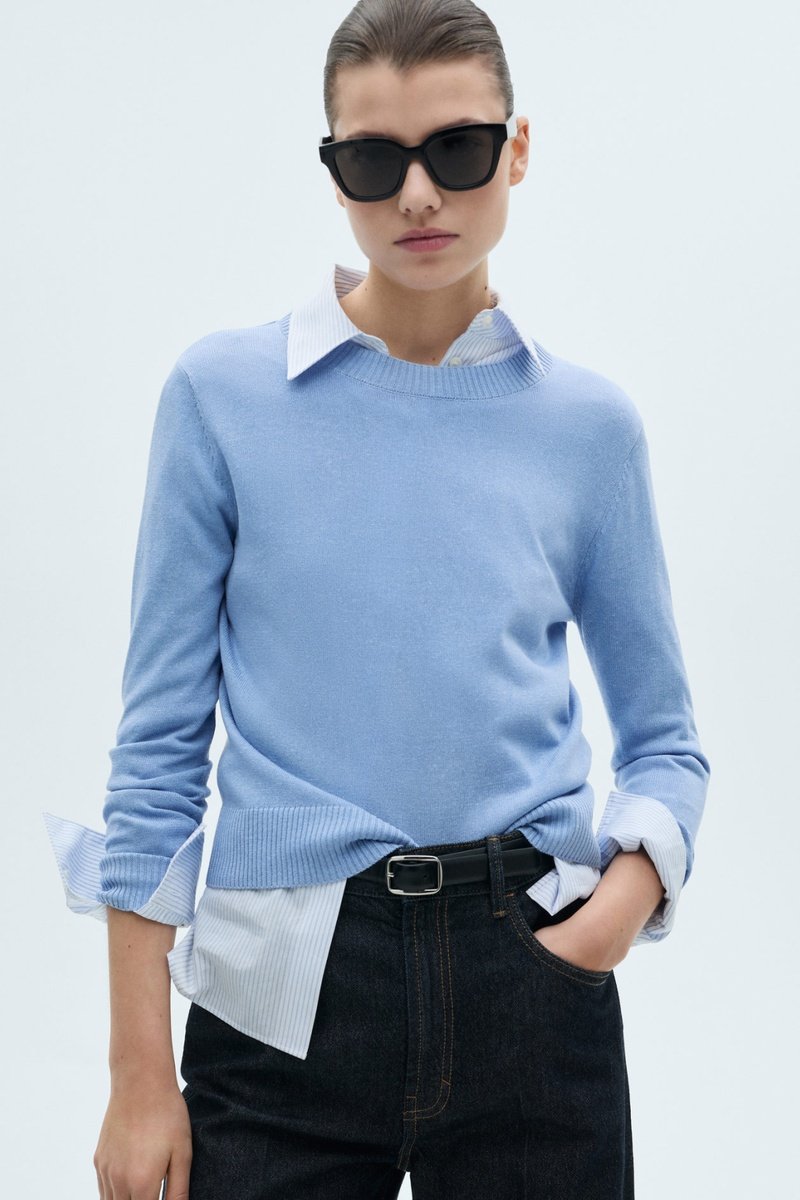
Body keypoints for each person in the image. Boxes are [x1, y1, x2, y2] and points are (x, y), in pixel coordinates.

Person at [42, 1, 710, 1197]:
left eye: (456, 149)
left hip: (529, 974)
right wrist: (139, 1076)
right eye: (372, 160)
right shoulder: (222, 398)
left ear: (515, 150)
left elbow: (664, 744)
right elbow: (156, 760)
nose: (416, 195)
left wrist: (602, 923)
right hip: (279, 996)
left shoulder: (587, 430)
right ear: (331, 169)